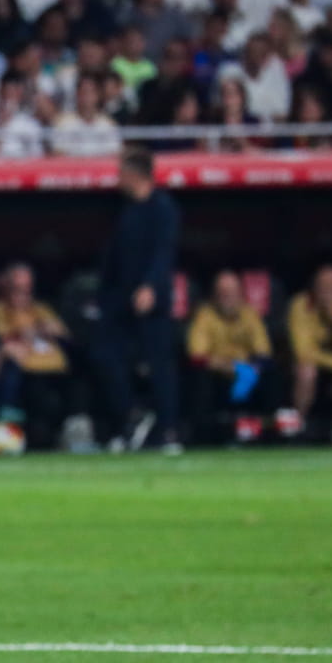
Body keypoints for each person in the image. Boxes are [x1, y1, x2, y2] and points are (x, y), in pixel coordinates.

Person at [96, 146, 182, 453]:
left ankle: (167, 430)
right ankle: (132, 419)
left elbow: (164, 252)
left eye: (121, 173)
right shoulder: (125, 209)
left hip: (151, 300)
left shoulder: (163, 208)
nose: (117, 179)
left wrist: (150, 286)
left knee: (160, 366)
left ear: (136, 175)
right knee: (106, 356)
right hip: (120, 300)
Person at [0, 262, 73, 444]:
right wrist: (27, 333)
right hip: (25, 373)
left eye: (27, 287)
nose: (23, 293)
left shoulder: (40, 309)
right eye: (17, 288)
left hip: (54, 372)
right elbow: (5, 341)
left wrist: (49, 330)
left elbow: (64, 334)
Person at [186, 270, 275, 444]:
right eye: (222, 292)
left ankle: (269, 434)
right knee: (199, 379)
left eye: (231, 292)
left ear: (241, 294)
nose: (227, 297)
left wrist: (248, 368)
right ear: (214, 295)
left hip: (247, 374)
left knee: (271, 376)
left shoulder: (250, 314)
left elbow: (264, 353)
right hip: (216, 374)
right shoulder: (205, 315)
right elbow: (197, 356)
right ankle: (205, 437)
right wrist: (230, 366)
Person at [279, 265, 332, 443]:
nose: (327, 292)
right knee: (307, 371)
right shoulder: (300, 305)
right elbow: (303, 352)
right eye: (323, 286)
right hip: (304, 368)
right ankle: (297, 426)